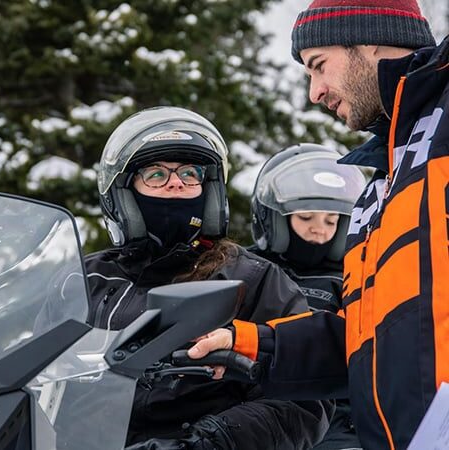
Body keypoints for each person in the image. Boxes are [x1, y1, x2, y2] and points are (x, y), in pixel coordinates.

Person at [188, 1, 449, 449]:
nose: (315, 91)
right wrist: (252, 345)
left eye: (319, 65)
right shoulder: (383, 184)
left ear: (369, 40)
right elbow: (370, 339)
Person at [88, 106, 333, 449]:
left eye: (190, 173)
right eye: (156, 175)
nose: (176, 183)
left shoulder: (251, 279)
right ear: (124, 194)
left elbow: (305, 397)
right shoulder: (88, 277)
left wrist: (211, 440)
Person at [248, 143, 367, 450]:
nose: (319, 231)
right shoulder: (247, 270)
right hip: (251, 410)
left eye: (331, 221)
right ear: (274, 218)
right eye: (307, 218)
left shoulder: (355, 280)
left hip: (335, 419)